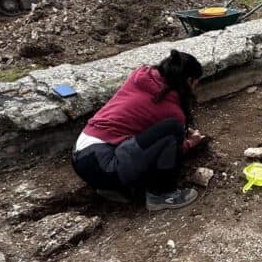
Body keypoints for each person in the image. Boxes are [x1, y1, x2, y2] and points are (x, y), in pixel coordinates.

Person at [71, 50, 206, 210]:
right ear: (189, 81)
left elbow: (139, 121)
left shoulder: (141, 79)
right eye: (196, 83)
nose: (195, 88)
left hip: (81, 155)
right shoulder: (170, 109)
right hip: (104, 165)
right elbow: (173, 148)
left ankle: (114, 188)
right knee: (172, 128)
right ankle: (161, 194)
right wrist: (190, 143)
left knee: (165, 132)